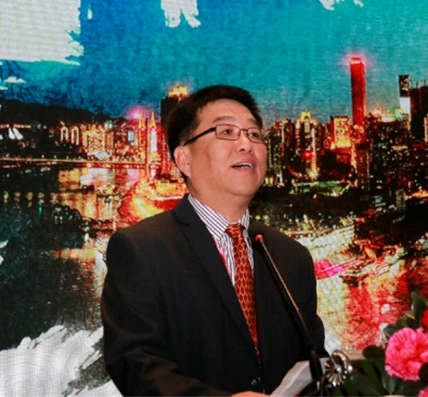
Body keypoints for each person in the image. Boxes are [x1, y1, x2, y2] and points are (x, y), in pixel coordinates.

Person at [101, 85, 327, 395]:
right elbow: (136, 365)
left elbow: (314, 366)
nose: (246, 144)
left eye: (254, 134)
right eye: (226, 132)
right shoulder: (141, 248)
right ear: (184, 159)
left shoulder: (291, 256)